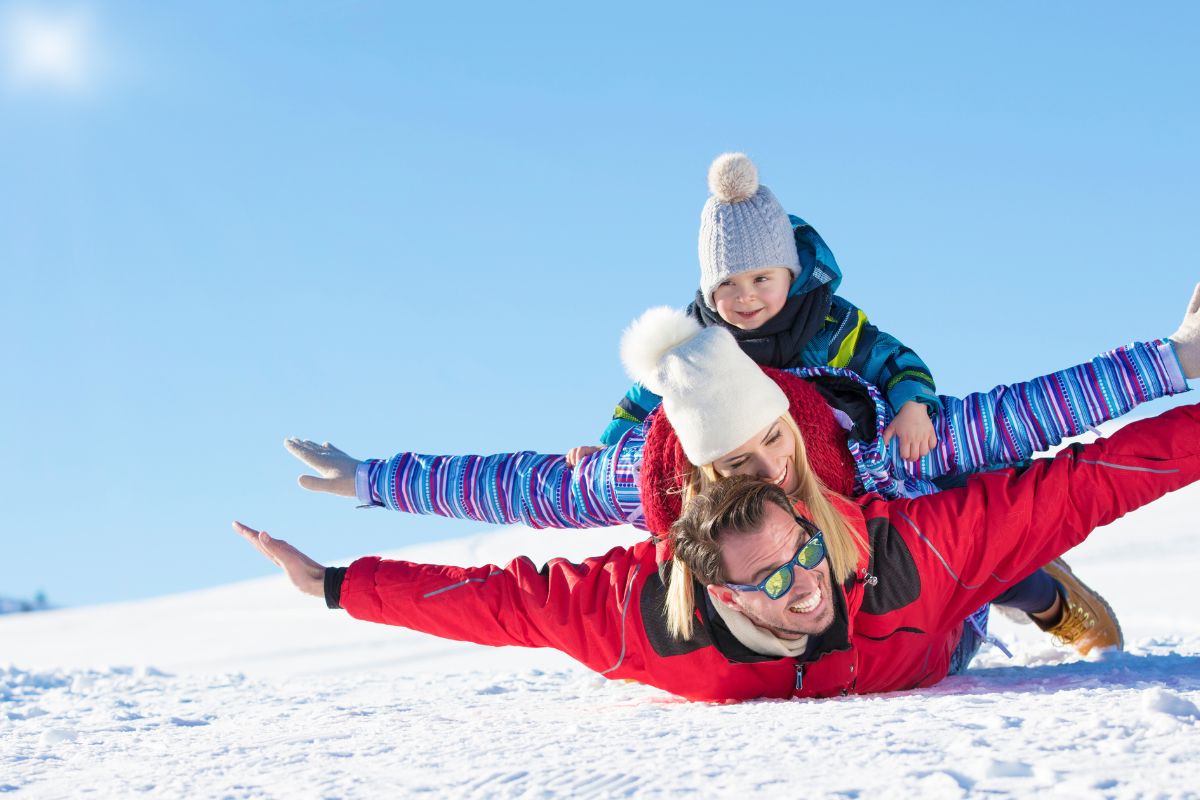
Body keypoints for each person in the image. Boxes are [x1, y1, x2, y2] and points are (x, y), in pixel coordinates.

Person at [283, 287, 1199, 653]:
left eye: (771, 442)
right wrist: (372, 480)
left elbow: (1044, 410)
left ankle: (1040, 593)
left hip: (924, 577)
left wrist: (1180, 360)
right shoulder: (649, 482)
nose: (765, 469)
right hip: (815, 616)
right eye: (734, 462)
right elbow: (516, 486)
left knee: (978, 536)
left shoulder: (871, 440)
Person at [234, 366, 1200, 702]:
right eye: (772, 583)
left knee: (1003, 539)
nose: (805, 588)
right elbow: (502, 593)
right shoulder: (644, 622)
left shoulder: (880, 529)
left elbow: (1092, 475)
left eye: (802, 557)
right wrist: (334, 579)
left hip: (941, 614)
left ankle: (1043, 590)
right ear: (720, 589)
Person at [572, 152, 940, 465]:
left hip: (835, 453)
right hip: (744, 472)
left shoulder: (828, 325)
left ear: (791, 276)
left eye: (761, 280)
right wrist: (607, 450)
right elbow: (643, 402)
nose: (745, 297)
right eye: (727, 285)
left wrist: (913, 407)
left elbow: (892, 359)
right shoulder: (697, 341)